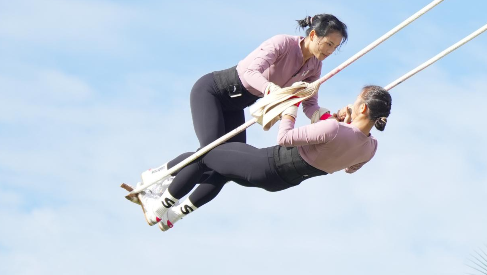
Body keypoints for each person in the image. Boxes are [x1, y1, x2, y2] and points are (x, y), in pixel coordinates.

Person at [139, 13, 349, 210]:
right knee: (210, 153)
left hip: (235, 106)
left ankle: (171, 209)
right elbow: (249, 72)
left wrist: (328, 118)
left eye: (335, 48)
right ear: (313, 35)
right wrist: (271, 90)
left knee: (227, 166)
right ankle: (156, 177)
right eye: (328, 44)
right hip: (212, 92)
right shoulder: (283, 43)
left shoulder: (314, 67)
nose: (329, 52)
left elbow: (309, 104)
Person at [141, 85, 392, 230]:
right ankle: (172, 217)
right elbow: (349, 167)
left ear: (362, 108)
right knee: (221, 171)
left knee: (208, 153)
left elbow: (284, 138)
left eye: (356, 100)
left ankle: (159, 201)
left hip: (266, 163)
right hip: (280, 182)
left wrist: (289, 109)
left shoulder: (334, 129)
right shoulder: (371, 148)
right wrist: (346, 128)